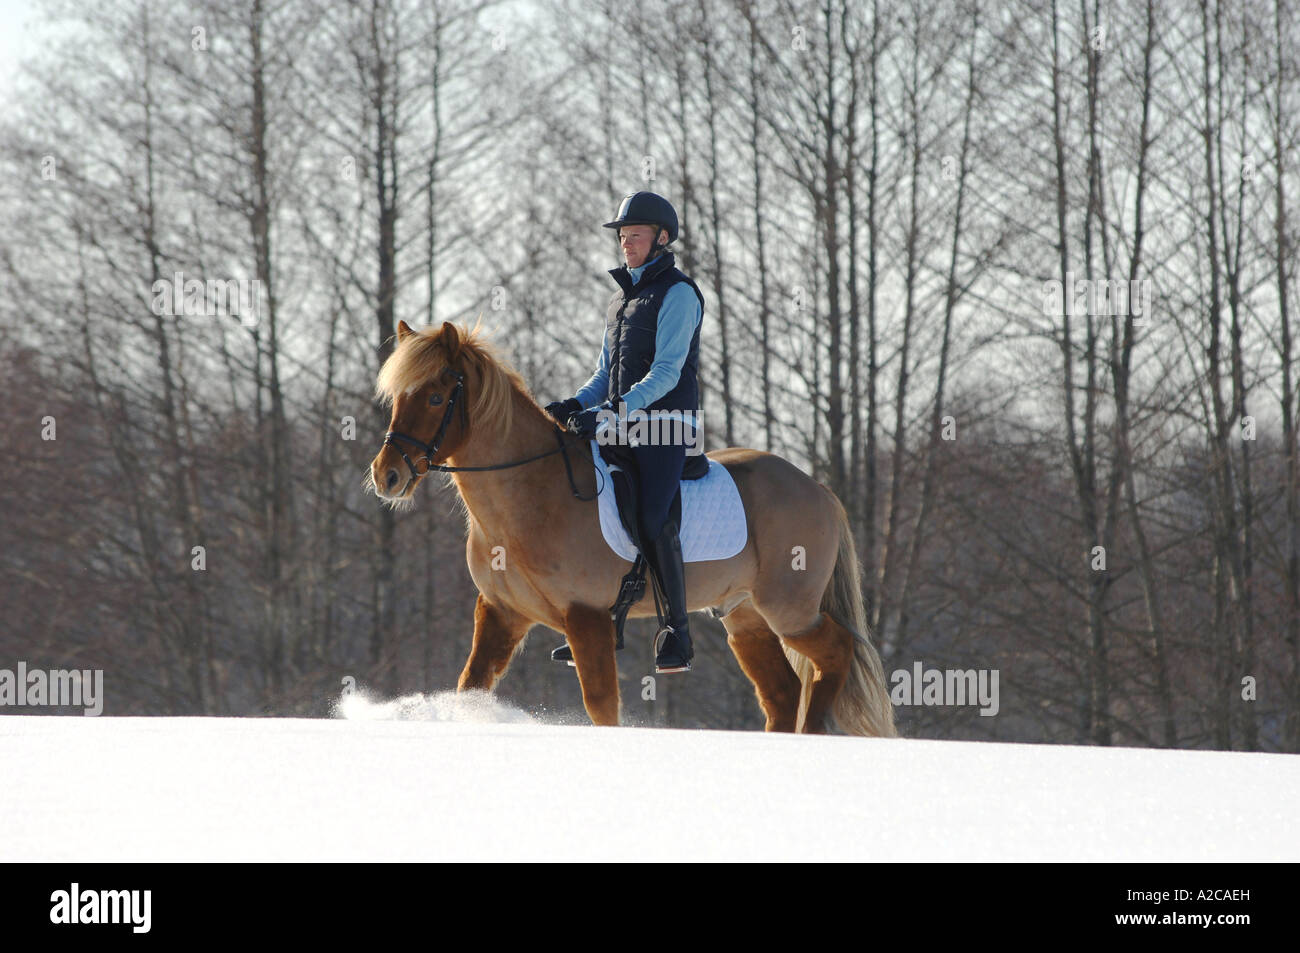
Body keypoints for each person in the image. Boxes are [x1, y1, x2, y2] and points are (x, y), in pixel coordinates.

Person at [545, 191, 705, 674]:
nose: (625, 243)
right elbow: (602, 375)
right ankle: (605, 622)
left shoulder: (679, 293)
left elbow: (666, 372)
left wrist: (615, 411)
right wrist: (575, 403)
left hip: (664, 427)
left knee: (653, 516)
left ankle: (678, 629)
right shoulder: (620, 300)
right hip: (620, 424)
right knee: (586, 500)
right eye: (621, 235)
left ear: (661, 238)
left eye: (634, 235)